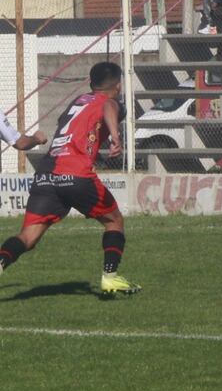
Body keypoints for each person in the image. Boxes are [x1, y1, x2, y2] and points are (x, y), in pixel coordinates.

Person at [0, 62, 141, 295]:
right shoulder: (111, 101)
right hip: (75, 172)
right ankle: (110, 277)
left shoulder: (77, 102)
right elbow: (108, 105)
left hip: (46, 173)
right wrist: (115, 136)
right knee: (114, 221)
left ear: (90, 83)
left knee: (28, 236)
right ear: (118, 86)